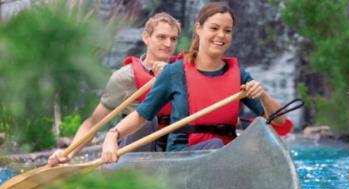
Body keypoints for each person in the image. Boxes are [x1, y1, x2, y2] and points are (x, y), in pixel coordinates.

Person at [101, 2, 290, 163]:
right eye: (214, 28)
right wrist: (113, 135)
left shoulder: (240, 75)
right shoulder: (174, 73)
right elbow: (142, 115)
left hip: (224, 157)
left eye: (227, 31)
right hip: (183, 158)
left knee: (241, 147)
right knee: (216, 146)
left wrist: (263, 95)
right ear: (199, 29)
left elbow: (280, 121)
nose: (221, 35)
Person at [48, 12, 181, 166]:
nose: (168, 44)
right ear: (146, 37)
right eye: (161, 37)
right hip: (137, 153)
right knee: (147, 120)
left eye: (173, 39)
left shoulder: (183, 72)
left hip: (173, 151)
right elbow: (93, 123)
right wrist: (68, 153)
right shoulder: (125, 77)